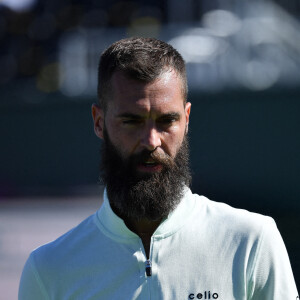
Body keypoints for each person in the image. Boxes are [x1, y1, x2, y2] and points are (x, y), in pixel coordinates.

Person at [19, 37, 298, 299]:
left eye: (166, 121)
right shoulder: (48, 270)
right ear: (99, 122)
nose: (151, 141)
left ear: (186, 119)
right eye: (132, 121)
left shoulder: (252, 242)